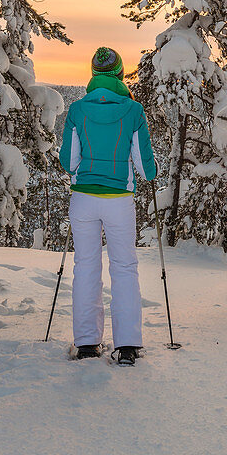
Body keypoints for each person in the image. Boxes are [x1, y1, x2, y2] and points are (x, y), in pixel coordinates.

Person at [58, 47, 157, 366]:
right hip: (119, 201)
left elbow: (68, 163)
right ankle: (127, 344)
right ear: (120, 74)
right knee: (124, 267)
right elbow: (146, 169)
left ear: (93, 74)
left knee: (85, 266)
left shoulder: (77, 109)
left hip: (83, 199)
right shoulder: (133, 110)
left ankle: (87, 343)